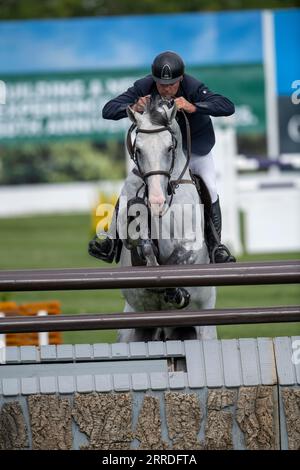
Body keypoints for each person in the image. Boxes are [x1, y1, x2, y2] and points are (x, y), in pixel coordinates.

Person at [89, 51, 236, 263]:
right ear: (154, 80)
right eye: (161, 84)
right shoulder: (143, 86)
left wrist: (194, 107)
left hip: (193, 149)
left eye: (172, 84)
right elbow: (108, 109)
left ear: (181, 79)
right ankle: (111, 242)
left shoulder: (192, 86)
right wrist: (131, 106)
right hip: (160, 154)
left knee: (210, 187)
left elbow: (226, 106)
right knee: (130, 185)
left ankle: (216, 246)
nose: (167, 89)